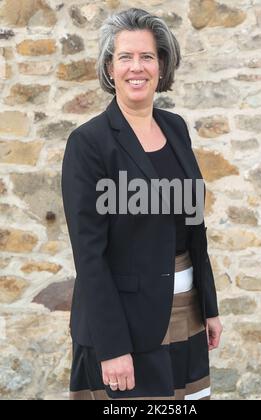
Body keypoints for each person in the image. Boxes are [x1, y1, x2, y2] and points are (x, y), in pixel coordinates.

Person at [61, 7, 222, 401]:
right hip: (125, 326)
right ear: (109, 67)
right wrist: (113, 346)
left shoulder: (176, 128)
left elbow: (193, 226)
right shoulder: (89, 144)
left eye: (147, 56)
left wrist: (209, 305)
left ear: (162, 66)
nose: (138, 67)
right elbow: (90, 256)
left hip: (186, 312)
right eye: (125, 57)